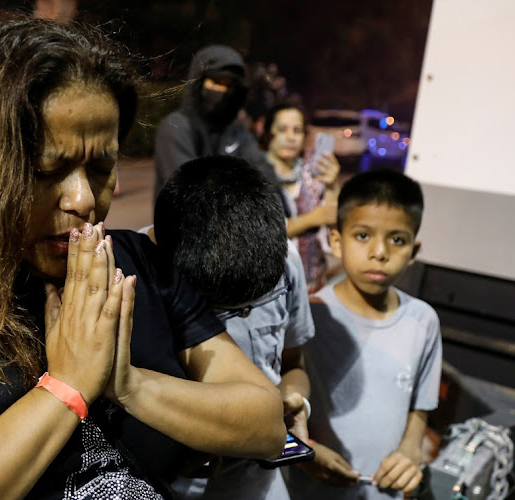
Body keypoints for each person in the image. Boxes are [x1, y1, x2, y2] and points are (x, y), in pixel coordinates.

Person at [0, 19, 287, 500]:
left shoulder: (136, 263)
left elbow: (264, 420)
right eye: (48, 170)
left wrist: (128, 385)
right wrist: (67, 387)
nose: (83, 199)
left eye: (103, 168)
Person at [150, 155, 315, 500]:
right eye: (219, 312)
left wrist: (293, 399)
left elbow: (294, 364)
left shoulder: (285, 264)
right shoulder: (137, 279)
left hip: (258, 484)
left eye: (255, 303)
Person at [288, 169, 443, 499]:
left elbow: (420, 405)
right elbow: (275, 410)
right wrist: (304, 454)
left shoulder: (423, 321)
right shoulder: (309, 314)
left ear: (413, 252)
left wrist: (411, 450)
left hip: (382, 491)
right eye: (362, 236)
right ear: (335, 241)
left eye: (397, 240)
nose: (380, 252)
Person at [154, 44, 276, 201]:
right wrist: (242, 183)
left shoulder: (237, 131)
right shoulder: (175, 127)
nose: (222, 90)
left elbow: (267, 177)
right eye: (216, 81)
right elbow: (189, 189)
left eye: (229, 85)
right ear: (198, 81)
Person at [261, 103, 342, 293]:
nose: (290, 137)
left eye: (297, 130)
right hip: (267, 293)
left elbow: (332, 231)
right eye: (282, 130)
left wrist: (332, 185)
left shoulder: (313, 175)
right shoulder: (255, 174)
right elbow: (263, 233)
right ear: (268, 133)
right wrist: (313, 218)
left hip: (311, 288)